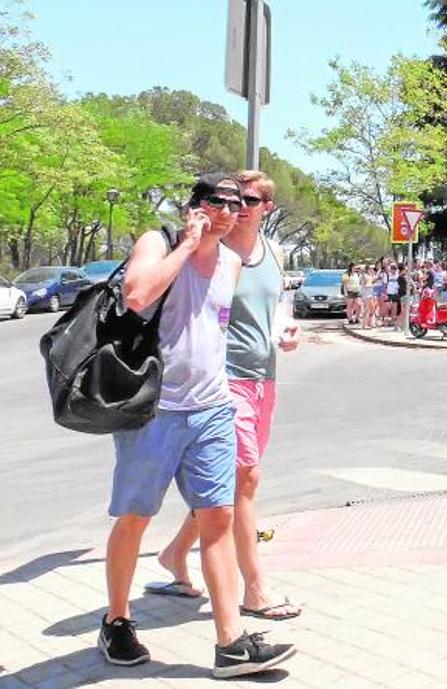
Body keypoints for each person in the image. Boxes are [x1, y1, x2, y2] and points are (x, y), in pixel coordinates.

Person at [103, 174, 295, 678]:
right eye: (219, 201)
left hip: (212, 408)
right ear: (196, 205)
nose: (229, 210)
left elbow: (214, 330)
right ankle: (117, 620)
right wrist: (189, 242)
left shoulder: (233, 262)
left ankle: (230, 641)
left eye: (237, 203)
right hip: (155, 409)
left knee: (218, 519)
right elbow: (138, 296)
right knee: (135, 517)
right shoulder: (158, 241)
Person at [156, 168, 303, 629]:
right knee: (246, 481)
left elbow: (277, 306)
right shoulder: (212, 253)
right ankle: (254, 589)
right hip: (224, 380)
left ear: (267, 208)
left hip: (265, 377)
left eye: (251, 201)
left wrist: (287, 329)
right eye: (235, 199)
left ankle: (176, 553)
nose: (240, 208)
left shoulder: (274, 252)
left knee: (226, 485)